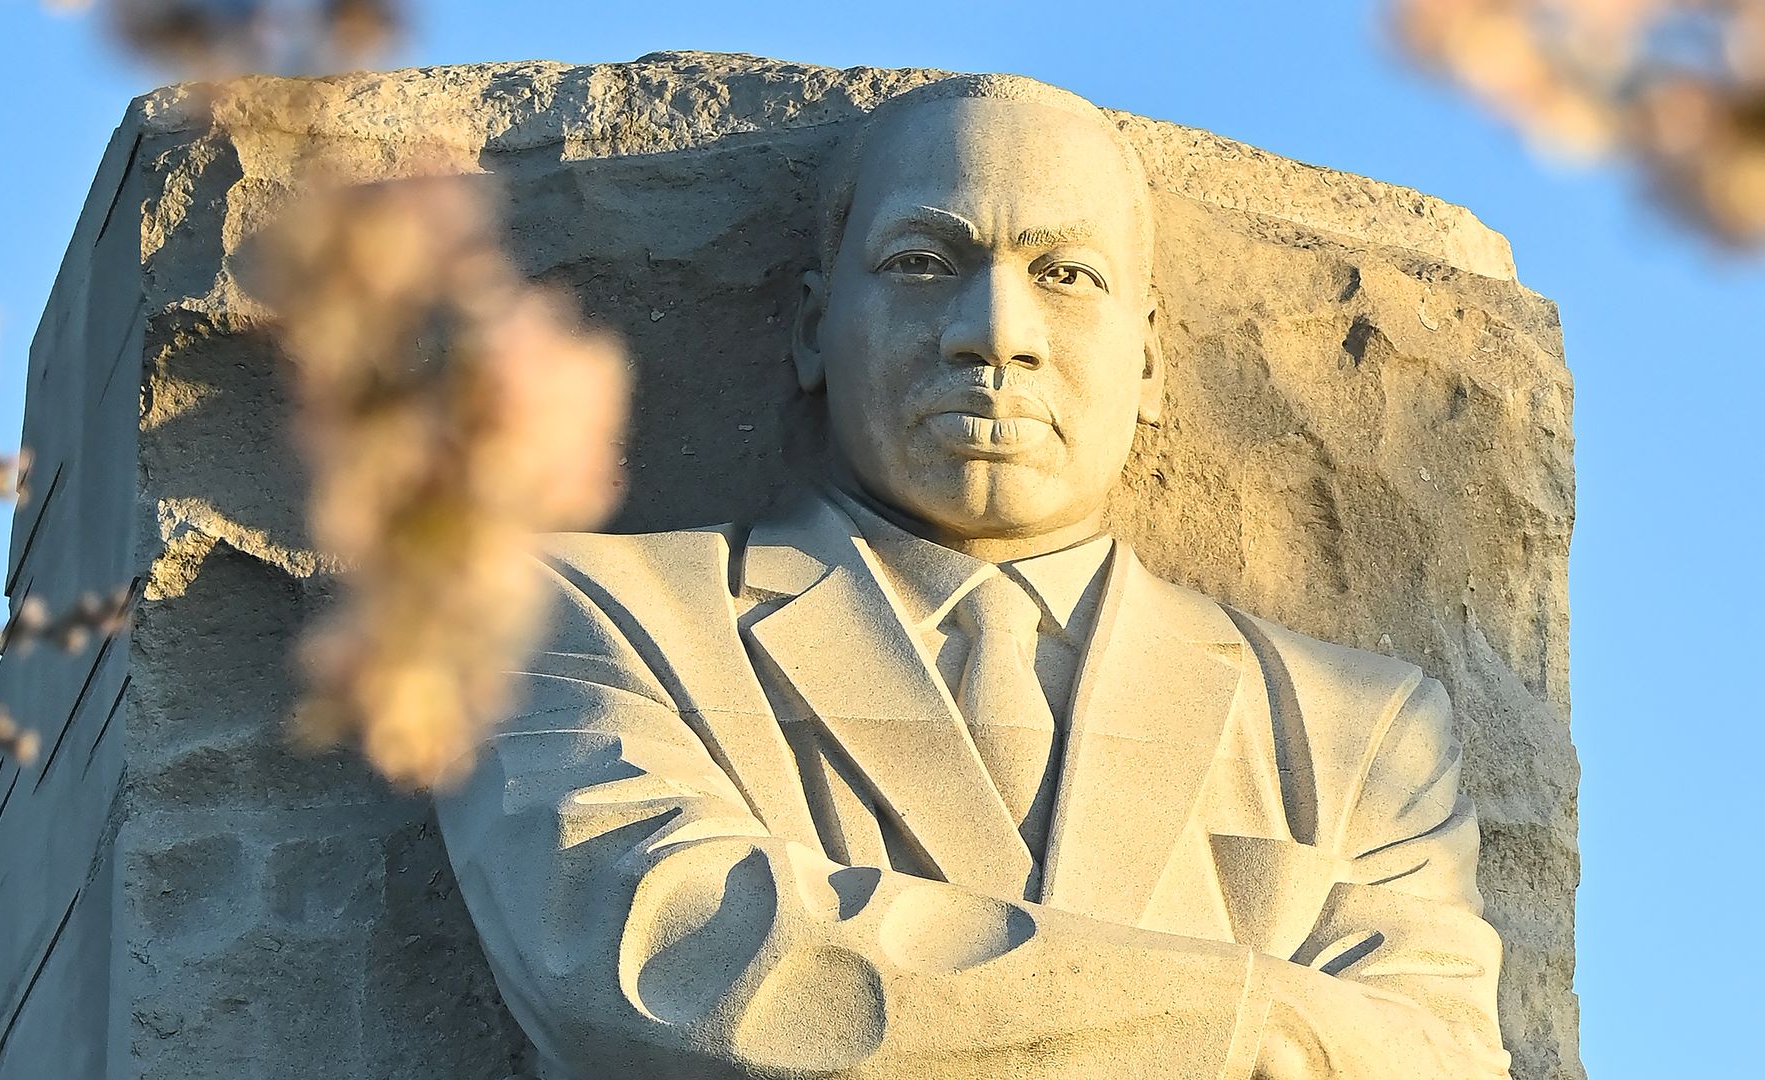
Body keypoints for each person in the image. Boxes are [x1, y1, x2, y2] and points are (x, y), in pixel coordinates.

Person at [436, 74, 1511, 1080]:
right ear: (815, 328)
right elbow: (667, 955)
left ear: (1148, 364)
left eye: (1067, 275)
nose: (993, 332)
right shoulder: (579, 615)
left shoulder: (1359, 731)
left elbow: (1440, 1055)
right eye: (920, 263)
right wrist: (1255, 1017)